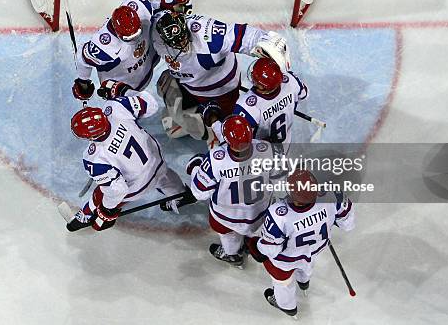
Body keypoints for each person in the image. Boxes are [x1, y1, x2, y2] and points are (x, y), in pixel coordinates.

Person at [66, 81, 195, 232]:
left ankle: (86, 215)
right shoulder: (115, 108)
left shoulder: (93, 158)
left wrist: (107, 212)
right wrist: (124, 91)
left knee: (101, 191)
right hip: (157, 160)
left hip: (138, 186)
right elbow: (151, 104)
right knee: (163, 176)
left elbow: (118, 190)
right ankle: (180, 196)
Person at [152, 9, 291, 141]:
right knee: (164, 85)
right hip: (188, 82)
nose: (183, 44)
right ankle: (193, 119)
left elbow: (242, 35)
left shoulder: (208, 37)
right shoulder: (156, 31)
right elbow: (156, 9)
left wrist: (269, 42)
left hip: (221, 91)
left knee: (224, 126)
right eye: (177, 43)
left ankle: (212, 135)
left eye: (184, 38)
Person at [246, 169, 355, 318]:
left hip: (286, 261)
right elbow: (347, 223)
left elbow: (270, 250)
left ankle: (287, 306)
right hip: (315, 248)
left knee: (282, 282)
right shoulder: (332, 194)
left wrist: (255, 245)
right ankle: (304, 283)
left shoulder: (278, 214)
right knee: (306, 263)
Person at [187, 115, 276, 266]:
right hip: (259, 214)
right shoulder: (266, 148)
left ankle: (233, 256)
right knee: (254, 228)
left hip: (226, 216)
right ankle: (249, 241)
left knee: (228, 236)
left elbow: (199, 193)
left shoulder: (215, 160)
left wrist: (196, 167)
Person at [71, 0, 192, 101]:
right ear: (117, 33)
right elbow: (82, 57)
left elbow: (153, 5)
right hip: (126, 86)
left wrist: (167, 2)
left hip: (148, 59)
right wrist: (83, 82)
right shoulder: (104, 47)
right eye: (129, 38)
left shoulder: (138, 6)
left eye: (137, 31)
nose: (135, 38)